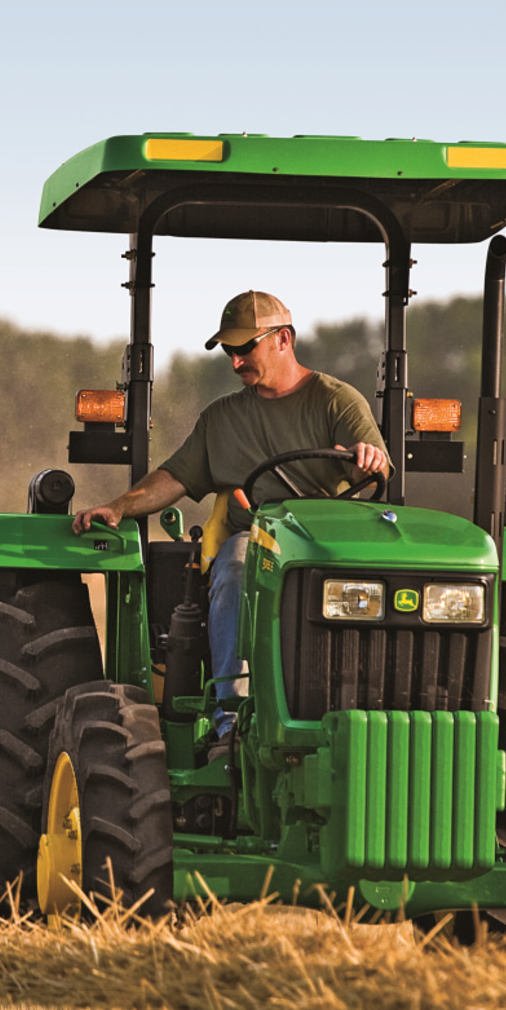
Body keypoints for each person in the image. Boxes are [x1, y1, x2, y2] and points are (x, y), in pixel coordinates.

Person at [72, 290, 390, 747]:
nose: (236, 361)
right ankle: (231, 723)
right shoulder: (222, 417)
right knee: (238, 565)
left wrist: (364, 460)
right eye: (229, 351)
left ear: (283, 339)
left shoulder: (336, 401)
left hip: (327, 544)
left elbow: (373, 464)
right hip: (257, 539)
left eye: (245, 348)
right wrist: (118, 507)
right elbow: (174, 476)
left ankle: (365, 711)